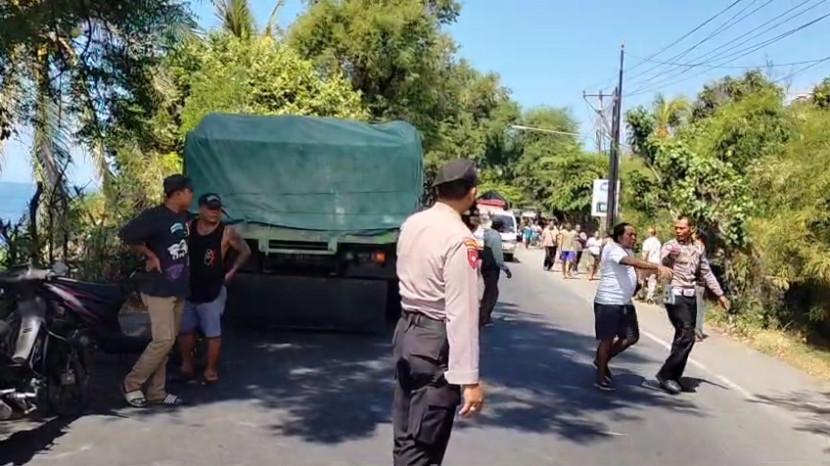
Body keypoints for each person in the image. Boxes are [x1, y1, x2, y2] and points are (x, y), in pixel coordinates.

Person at [393, 159, 484, 466]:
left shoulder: (412, 224)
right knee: (423, 448)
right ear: (472, 193)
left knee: (406, 437)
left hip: (407, 334)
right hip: (434, 344)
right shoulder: (459, 238)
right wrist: (469, 380)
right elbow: (462, 312)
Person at [118, 174, 193, 408]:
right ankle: (131, 383)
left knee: (167, 343)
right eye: (189, 191)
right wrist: (149, 254)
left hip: (177, 287)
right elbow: (126, 234)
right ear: (178, 193)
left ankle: (157, 392)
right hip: (158, 288)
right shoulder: (155, 216)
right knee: (163, 340)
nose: (192, 195)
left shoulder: (182, 216)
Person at [177, 194, 251, 384]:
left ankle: (210, 370)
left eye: (217, 210)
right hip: (189, 287)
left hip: (212, 290)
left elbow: (245, 251)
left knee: (212, 332)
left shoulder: (227, 232)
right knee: (185, 329)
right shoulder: (189, 227)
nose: (214, 213)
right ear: (201, 209)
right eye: (210, 209)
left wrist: (231, 271)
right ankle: (187, 365)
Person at [593, 223, 672, 391]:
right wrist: (657, 266)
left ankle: (602, 360)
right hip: (609, 302)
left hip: (625, 302)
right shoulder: (612, 248)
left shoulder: (627, 250)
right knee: (607, 339)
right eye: (630, 235)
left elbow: (632, 269)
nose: (634, 238)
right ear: (619, 236)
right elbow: (630, 262)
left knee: (631, 337)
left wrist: (637, 284)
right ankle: (600, 376)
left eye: (635, 235)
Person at [656, 216, 730, 395]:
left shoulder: (698, 248)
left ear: (691, 229)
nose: (678, 231)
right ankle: (665, 374)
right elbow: (660, 265)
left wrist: (720, 295)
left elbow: (706, 272)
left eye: (682, 228)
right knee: (688, 334)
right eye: (676, 228)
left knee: (682, 335)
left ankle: (674, 377)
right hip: (673, 293)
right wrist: (667, 261)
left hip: (690, 295)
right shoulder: (670, 246)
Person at [480, 218, 512, 326]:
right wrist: (505, 269)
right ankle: (484, 317)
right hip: (492, 266)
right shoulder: (496, 237)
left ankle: (483, 314)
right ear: (500, 227)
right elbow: (498, 256)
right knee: (492, 293)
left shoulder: (487, 233)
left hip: (485, 264)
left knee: (488, 290)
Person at [640, 227, 662, 304]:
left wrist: (642, 262)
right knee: (652, 280)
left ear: (649, 233)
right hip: (656, 263)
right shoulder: (658, 242)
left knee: (643, 278)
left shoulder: (647, 241)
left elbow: (646, 253)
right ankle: (650, 297)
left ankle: (642, 293)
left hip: (648, 262)